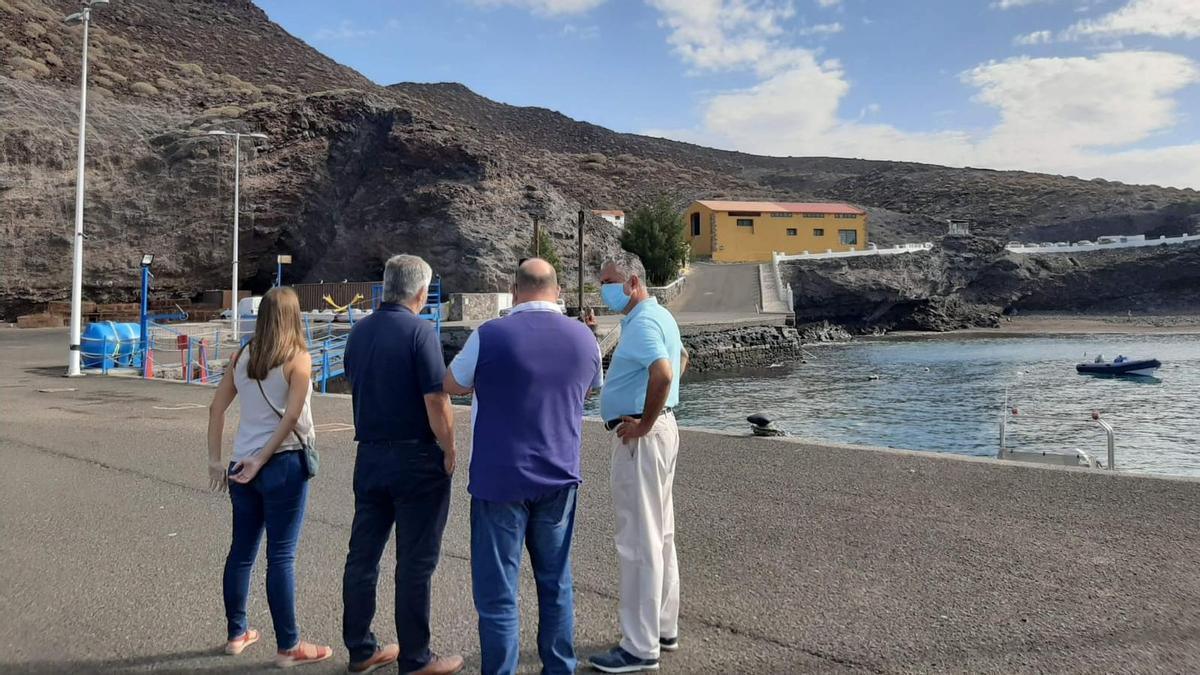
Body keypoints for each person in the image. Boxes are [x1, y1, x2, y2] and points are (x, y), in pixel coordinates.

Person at [443, 259, 603, 675]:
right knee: (555, 584)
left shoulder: (489, 335)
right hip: (559, 475)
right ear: (558, 290)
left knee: (498, 595)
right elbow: (588, 389)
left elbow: (452, 383)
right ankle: (559, 668)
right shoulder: (584, 338)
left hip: (500, 478)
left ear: (515, 291)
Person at [341, 254, 463, 675]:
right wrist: (448, 447)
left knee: (363, 556)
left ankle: (360, 649)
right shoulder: (420, 332)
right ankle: (415, 658)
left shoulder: (358, 333)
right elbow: (436, 398)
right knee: (414, 562)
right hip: (415, 456)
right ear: (421, 291)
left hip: (370, 454)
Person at [207, 286, 332, 668]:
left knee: (241, 552)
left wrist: (216, 462)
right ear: (295, 317)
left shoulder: (241, 356)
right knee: (281, 555)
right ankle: (289, 646)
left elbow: (216, 409)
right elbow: (292, 416)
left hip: (241, 465)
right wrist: (264, 457)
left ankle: (236, 633)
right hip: (282, 464)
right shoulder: (299, 359)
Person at [588, 257, 689, 674]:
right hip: (662, 431)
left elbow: (664, 373)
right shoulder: (658, 316)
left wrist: (645, 421)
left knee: (638, 541)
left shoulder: (644, 321)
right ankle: (663, 628)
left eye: (609, 282)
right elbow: (683, 357)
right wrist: (660, 414)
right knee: (660, 533)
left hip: (642, 438)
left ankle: (639, 647)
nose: (603, 290)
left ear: (632, 282)